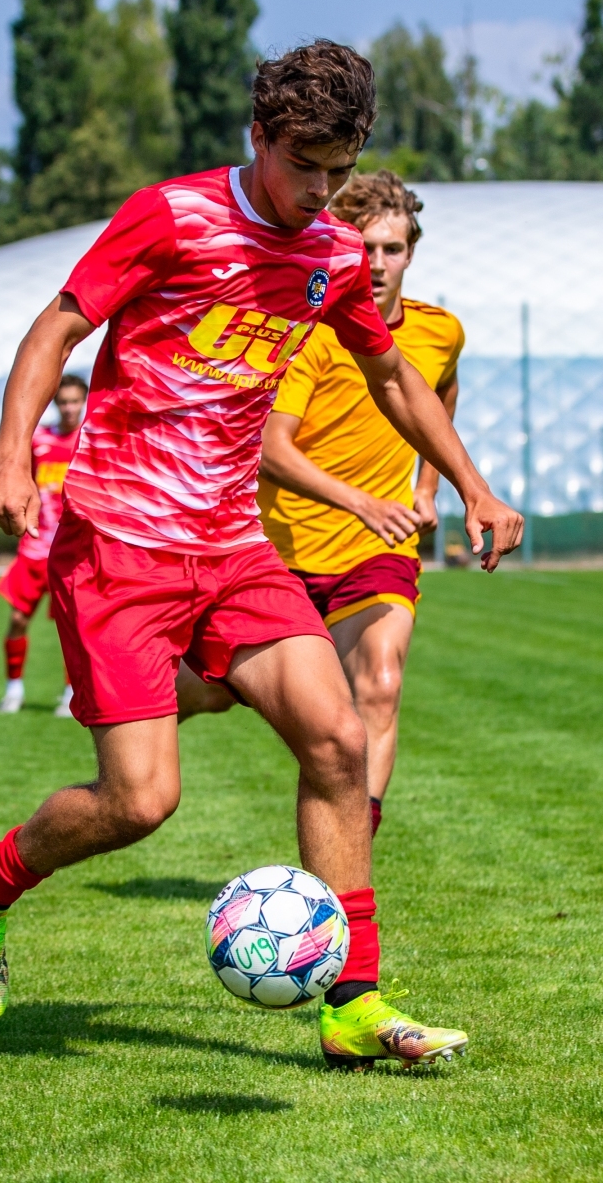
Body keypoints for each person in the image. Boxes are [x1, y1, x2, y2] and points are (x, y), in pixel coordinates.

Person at [0, 41, 523, 1070]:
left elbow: (393, 377)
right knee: (139, 802)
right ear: (259, 137)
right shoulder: (170, 218)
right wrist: (11, 456)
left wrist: (472, 484)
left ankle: (352, 1003)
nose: (321, 191)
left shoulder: (330, 252)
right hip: (119, 547)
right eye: (304, 166)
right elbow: (56, 330)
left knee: (339, 740)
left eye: (340, 170)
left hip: (233, 545)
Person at [176, 172, 458, 839]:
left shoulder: (441, 332)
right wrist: (361, 501)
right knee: (209, 691)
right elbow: (271, 448)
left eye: (393, 249)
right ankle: (140, 707)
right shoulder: (311, 334)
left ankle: (351, 853)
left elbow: (440, 393)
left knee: (380, 684)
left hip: (375, 553)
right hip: (282, 551)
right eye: (365, 248)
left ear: (411, 252)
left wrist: (426, 488)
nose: (378, 264)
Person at [0, 375, 87, 716]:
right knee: (18, 618)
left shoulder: (90, 440)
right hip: (35, 547)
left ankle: (70, 694)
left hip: (73, 551)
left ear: (83, 402)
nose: (68, 408)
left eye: (74, 401)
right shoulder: (39, 440)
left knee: (73, 628)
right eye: (63, 402)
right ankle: (13, 689)